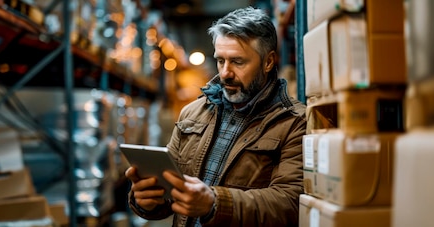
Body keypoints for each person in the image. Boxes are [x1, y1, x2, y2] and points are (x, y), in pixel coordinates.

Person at [125, 6, 306, 227]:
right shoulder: (192, 113)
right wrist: (148, 200)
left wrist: (214, 203)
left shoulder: (296, 122)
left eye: (238, 62)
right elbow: (172, 195)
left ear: (268, 62)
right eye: (221, 61)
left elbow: (290, 205)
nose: (225, 73)